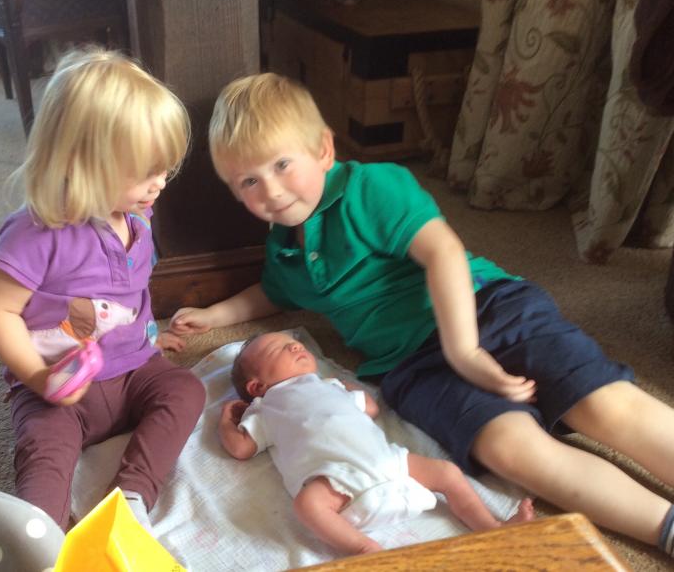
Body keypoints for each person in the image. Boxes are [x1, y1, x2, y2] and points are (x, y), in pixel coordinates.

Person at [170, 72, 674, 555]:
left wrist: (465, 350)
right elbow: (273, 294)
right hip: (413, 366)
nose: (271, 191)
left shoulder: (372, 187)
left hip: (488, 307)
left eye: (282, 164)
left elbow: (442, 251)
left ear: (323, 150)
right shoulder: (284, 252)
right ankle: (665, 529)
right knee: (511, 450)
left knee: (601, 403)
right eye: (249, 181)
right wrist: (215, 315)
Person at [0, 47, 206, 534]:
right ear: (79, 162)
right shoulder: (35, 232)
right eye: (146, 172)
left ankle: (132, 494)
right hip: (58, 392)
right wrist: (38, 378)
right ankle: (40, 544)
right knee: (43, 455)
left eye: (164, 169)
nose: (160, 184)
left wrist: (149, 335)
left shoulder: (137, 216)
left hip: (133, 371)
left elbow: (130, 291)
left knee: (187, 389)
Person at [219, 331, 534, 555]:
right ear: (257, 386)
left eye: (293, 342)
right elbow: (242, 448)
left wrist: (349, 389)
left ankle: (491, 527)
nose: (294, 346)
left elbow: (370, 409)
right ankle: (365, 550)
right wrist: (226, 421)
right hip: (334, 479)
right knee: (307, 505)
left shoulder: (330, 385)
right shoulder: (266, 407)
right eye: (278, 350)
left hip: (390, 463)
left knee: (447, 473)